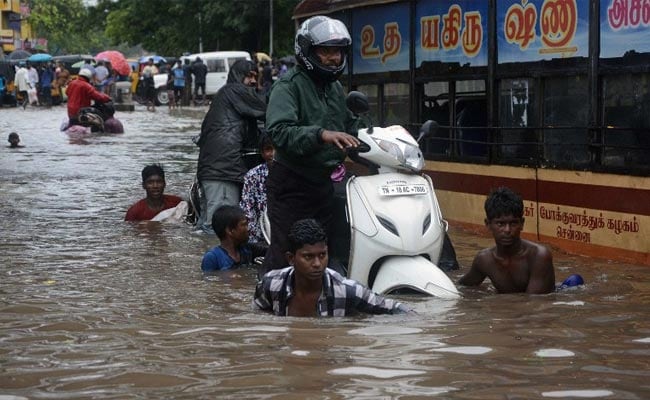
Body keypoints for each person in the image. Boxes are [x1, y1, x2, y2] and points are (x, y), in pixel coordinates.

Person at [261, 15, 362, 274]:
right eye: (326, 51)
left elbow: (350, 126)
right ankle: (270, 303)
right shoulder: (288, 87)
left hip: (323, 185)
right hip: (291, 184)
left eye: (338, 52)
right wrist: (321, 135)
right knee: (289, 255)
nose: (334, 58)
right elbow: (280, 131)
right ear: (307, 51)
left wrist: (379, 134)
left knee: (322, 254)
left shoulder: (335, 89)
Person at [254, 219, 410, 317]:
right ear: (291, 258)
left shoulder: (348, 290)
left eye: (322, 255)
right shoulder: (271, 284)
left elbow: (397, 308)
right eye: (308, 257)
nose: (317, 263)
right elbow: (256, 318)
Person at [195, 59, 266, 233]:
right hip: (223, 172)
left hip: (217, 171)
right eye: (249, 76)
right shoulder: (234, 91)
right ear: (237, 76)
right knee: (222, 231)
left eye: (255, 77)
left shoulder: (227, 96)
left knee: (209, 228)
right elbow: (268, 110)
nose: (253, 81)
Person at [458, 187, 556, 294]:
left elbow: (534, 305)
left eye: (513, 223)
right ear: (488, 224)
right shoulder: (484, 260)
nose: (507, 230)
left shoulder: (538, 256)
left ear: (522, 224)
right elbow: (462, 288)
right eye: (500, 224)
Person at [201, 205, 266, 272]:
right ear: (230, 231)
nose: (248, 229)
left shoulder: (248, 250)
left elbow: (272, 251)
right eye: (244, 225)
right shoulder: (212, 258)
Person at [239, 133, 274, 244]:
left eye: (278, 149)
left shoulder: (293, 174)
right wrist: (255, 240)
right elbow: (248, 209)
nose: (273, 154)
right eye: (269, 149)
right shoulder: (253, 175)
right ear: (262, 153)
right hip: (262, 235)